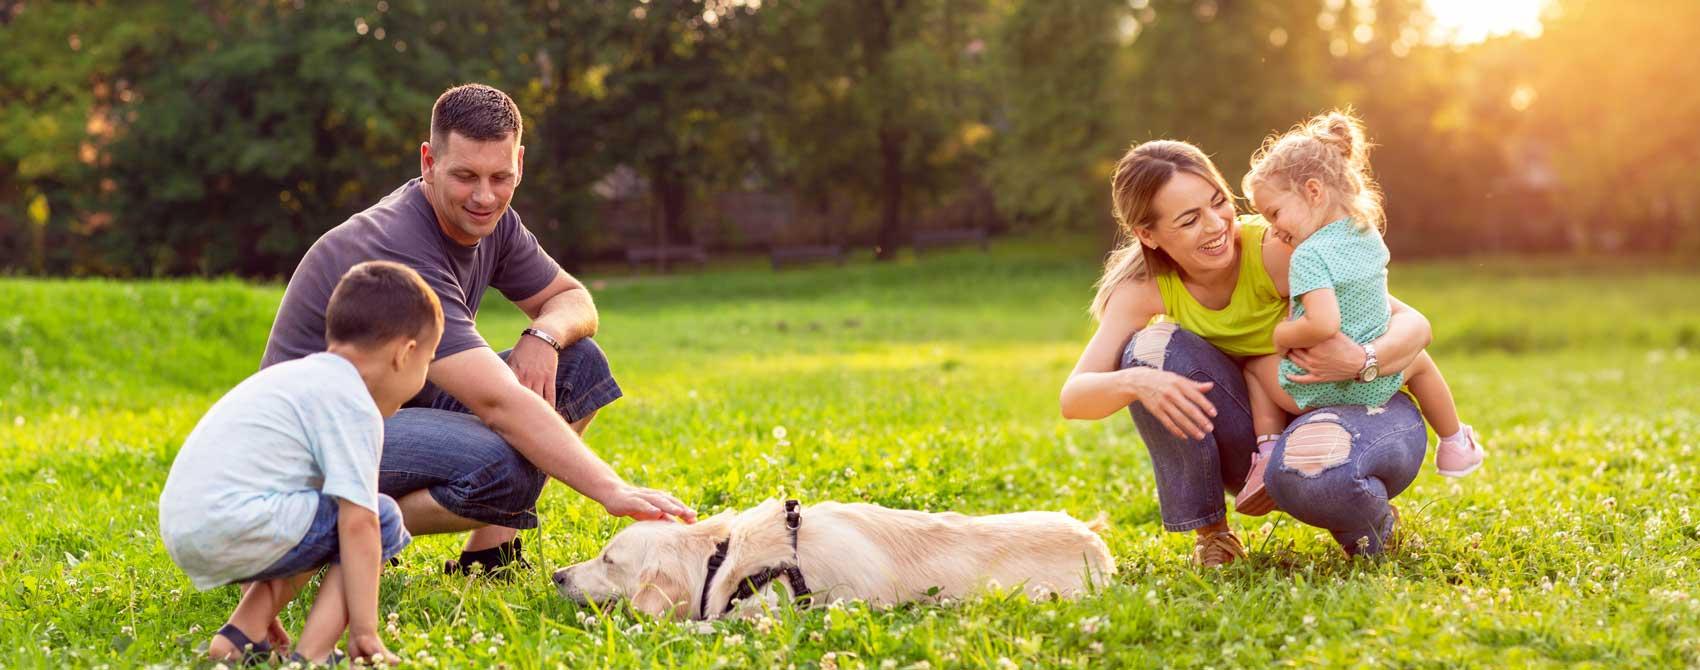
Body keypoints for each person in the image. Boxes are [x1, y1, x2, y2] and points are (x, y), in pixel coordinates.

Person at [261, 83, 695, 577]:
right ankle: (334, 535)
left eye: (500, 176)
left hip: (397, 404)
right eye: (465, 176)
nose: (485, 197)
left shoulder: (496, 222)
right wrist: (612, 490)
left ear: (520, 164)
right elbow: (498, 404)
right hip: (313, 449)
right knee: (500, 465)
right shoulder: (400, 242)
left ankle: (489, 557)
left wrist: (544, 336)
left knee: (581, 365)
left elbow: (572, 299)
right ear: (428, 160)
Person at [1060, 139, 1433, 566]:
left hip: (1367, 409)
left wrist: (1363, 359)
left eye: (1219, 202)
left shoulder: (1282, 249)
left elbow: (1415, 324)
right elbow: (1074, 399)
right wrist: (1137, 382)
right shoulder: (1142, 290)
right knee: (1150, 352)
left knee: (1314, 463)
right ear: (1148, 234)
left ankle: (1372, 526)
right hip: (1267, 437)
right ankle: (1214, 538)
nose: (1217, 224)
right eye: (1189, 220)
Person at [161, 261, 440, 665]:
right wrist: (365, 630)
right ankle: (314, 653)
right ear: (405, 353)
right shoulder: (352, 402)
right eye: (428, 362)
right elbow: (359, 523)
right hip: (235, 521)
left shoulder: (299, 379)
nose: (423, 375)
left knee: (320, 517)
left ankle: (241, 636)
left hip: (189, 526)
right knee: (379, 517)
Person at [1233, 110, 1486, 515]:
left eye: (1275, 213)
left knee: (1254, 371)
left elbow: (1323, 324)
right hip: (1380, 379)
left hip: (1317, 389)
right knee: (1419, 362)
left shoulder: (1309, 255)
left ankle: (1267, 452)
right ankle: (1455, 442)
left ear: (1313, 191)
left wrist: (1283, 335)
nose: (1273, 229)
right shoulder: (1366, 232)